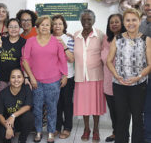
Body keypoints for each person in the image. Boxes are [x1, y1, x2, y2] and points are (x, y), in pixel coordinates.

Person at [107, 8, 151, 143]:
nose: (131, 23)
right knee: (122, 118)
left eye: (134, 20)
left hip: (139, 85)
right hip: (119, 85)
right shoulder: (117, 38)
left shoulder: (146, 39)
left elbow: (150, 64)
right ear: (124, 22)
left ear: (139, 21)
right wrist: (117, 75)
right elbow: (108, 61)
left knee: (137, 117)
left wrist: (138, 77)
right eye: (128, 20)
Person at [22, 15, 68, 143]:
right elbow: (25, 60)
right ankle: (38, 131)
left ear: (51, 27)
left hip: (53, 81)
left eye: (47, 24)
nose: (45, 27)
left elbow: (62, 59)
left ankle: (51, 132)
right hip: (36, 81)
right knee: (37, 108)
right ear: (37, 27)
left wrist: (65, 75)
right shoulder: (30, 41)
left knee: (52, 108)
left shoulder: (56, 41)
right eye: (42, 24)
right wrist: (31, 77)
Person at [73, 9, 106, 142]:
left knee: (96, 106)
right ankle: (86, 129)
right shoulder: (76, 35)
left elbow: (106, 53)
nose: (86, 22)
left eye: (89, 19)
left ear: (94, 21)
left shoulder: (100, 35)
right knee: (84, 105)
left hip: (96, 76)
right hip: (81, 76)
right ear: (80, 21)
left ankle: (96, 129)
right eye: (84, 19)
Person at [101, 14, 127, 142]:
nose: (114, 24)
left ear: (122, 23)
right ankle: (116, 132)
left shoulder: (127, 38)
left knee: (123, 111)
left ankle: (123, 135)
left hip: (122, 81)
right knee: (113, 111)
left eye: (117, 22)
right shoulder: (106, 39)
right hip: (108, 81)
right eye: (112, 22)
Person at [51, 15, 75, 139]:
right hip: (52, 77)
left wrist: (63, 45)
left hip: (68, 76)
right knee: (55, 104)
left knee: (67, 103)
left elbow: (71, 59)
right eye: (55, 24)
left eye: (60, 24)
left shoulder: (69, 39)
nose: (57, 26)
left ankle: (67, 127)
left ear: (64, 26)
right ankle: (56, 127)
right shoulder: (48, 39)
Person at [0, 68, 34, 143]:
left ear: (23, 79)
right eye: (13, 77)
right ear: (9, 79)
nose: (16, 80)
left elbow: (28, 106)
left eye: (19, 77)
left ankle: (22, 140)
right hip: (7, 122)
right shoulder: (2, 94)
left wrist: (13, 116)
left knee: (29, 117)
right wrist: (8, 127)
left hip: (20, 121)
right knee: (4, 135)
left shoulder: (26, 89)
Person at [0, 18, 26, 92]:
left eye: (16, 27)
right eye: (10, 27)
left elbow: (26, 62)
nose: (13, 29)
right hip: (2, 79)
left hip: (17, 80)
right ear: (7, 28)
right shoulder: (1, 41)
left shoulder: (24, 43)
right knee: (1, 100)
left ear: (19, 28)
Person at [139, 0, 151, 143]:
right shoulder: (140, 24)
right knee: (145, 107)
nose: (149, 8)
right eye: (147, 5)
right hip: (142, 73)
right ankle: (146, 136)